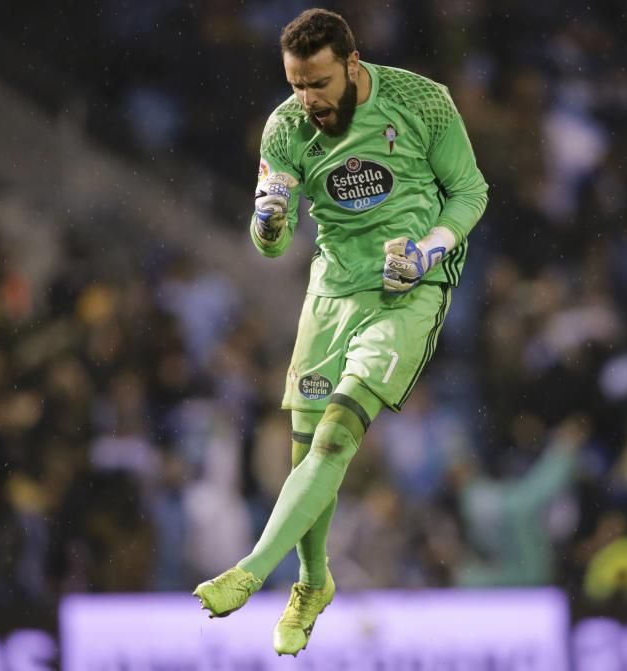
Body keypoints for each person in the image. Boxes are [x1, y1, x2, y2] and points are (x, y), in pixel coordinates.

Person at [193, 7, 488, 656]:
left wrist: (431, 250)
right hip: (332, 292)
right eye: (296, 84)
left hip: (406, 289)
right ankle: (313, 580)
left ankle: (251, 571)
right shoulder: (286, 127)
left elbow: (470, 192)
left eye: (319, 83)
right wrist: (267, 221)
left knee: (335, 438)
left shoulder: (420, 102)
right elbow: (269, 246)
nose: (308, 99)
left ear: (352, 65)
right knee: (306, 458)